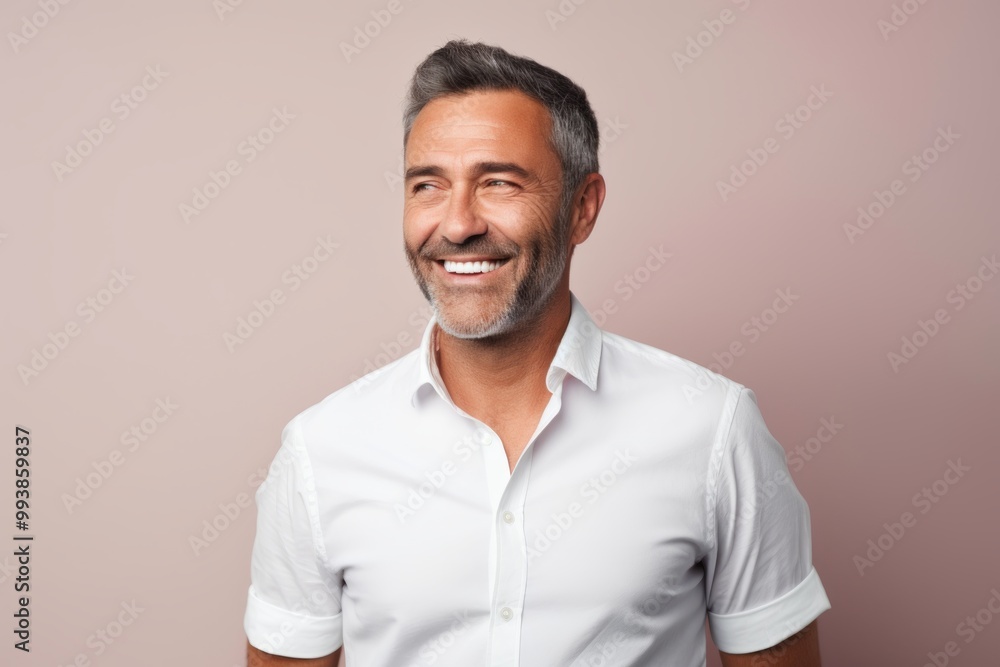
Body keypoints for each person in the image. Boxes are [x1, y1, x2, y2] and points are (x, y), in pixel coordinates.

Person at [244, 39, 831, 667]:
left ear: (583, 207)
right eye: (428, 186)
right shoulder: (321, 451)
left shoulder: (712, 428)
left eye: (498, 182)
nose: (457, 223)